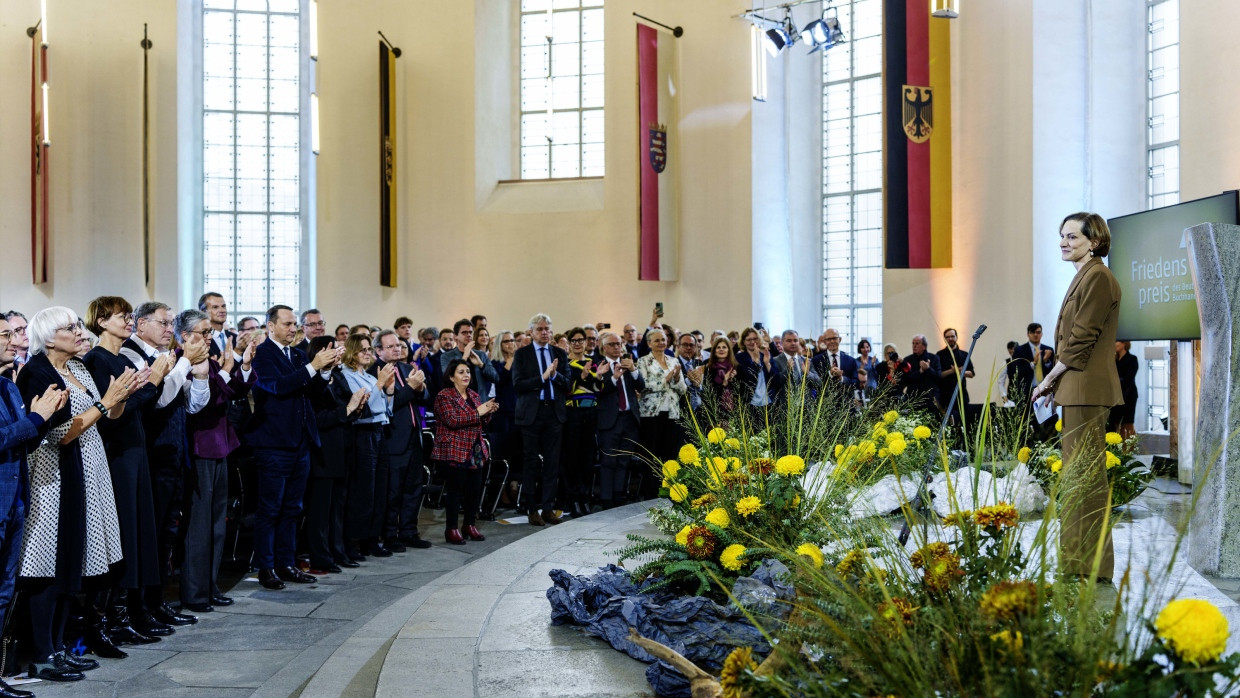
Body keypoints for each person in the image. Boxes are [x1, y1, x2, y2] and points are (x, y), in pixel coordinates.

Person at [16, 307, 137, 681]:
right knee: (48, 565)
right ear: (50, 337)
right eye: (70, 327)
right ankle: (41, 653)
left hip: (89, 469)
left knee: (74, 562)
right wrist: (105, 402)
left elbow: (109, 416)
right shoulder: (37, 371)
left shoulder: (79, 368)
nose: (79, 331)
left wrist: (120, 396)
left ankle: (61, 646)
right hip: (54, 475)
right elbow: (58, 433)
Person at [82, 297, 178, 654]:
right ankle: (107, 623)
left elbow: (133, 407)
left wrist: (152, 384)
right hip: (116, 454)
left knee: (136, 535)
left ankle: (126, 616)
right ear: (103, 321)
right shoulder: (96, 359)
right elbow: (111, 414)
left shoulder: (121, 359)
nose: (129, 321)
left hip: (135, 451)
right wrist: (152, 381)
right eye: (123, 317)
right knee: (119, 537)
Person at [1031, 212, 1123, 584]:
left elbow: (1081, 338)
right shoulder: (1086, 276)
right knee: (1078, 478)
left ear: (1094, 241)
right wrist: (1056, 384)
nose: (1063, 242)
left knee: (1085, 479)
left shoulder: (1098, 276)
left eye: (1071, 237)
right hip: (1077, 387)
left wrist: (1048, 379)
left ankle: (1091, 565)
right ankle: (1077, 562)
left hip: (1086, 388)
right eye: (1062, 236)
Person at [121, 302, 207, 630]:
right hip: (150, 457)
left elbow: (194, 404)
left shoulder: (167, 355)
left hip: (174, 454)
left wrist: (198, 374)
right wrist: (184, 363)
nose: (170, 329)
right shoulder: (131, 354)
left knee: (166, 535)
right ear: (140, 325)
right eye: (163, 322)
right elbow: (157, 399)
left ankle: (157, 602)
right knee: (150, 536)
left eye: (172, 323)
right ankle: (138, 608)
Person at [245, 305, 341, 590]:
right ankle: (266, 567)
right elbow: (277, 386)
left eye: (294, 324)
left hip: (300, 442)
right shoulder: (262, 355)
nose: (293, 328)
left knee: (293, 508)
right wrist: (314, 367)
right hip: (273, 442)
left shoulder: (298, 354)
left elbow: (311, 394)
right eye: (287, 324)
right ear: (270, 327)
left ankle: (287, 563)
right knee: (270, 509)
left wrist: (323, 373)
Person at [0, 316, 66, 694]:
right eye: (6, 334)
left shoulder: (8, 387)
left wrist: (46, 417)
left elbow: (24, 438)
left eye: (15, 333)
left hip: (14, 503)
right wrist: (37, 418)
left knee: (4, 594)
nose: (16, 340)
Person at [174, 309, 254, 614]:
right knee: (199, 526)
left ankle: (210, 585)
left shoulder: (209, 357)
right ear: (186, 336)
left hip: (220, 445)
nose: (211, 337)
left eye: (210, 332)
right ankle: (194, 592)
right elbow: (202, 404)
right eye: (204, 332)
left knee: (217, 525)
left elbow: (233, 391)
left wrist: (242, 367)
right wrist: (223, 373)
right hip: (199, 446)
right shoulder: (183, 359)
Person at [304, 335, 367, 572]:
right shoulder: (310, 381)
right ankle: (321, 557)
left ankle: (339, 551)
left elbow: (347, 407)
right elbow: (317, 418)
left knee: (339, 506)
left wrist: (357, 407)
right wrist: (347, 409)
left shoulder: (337, 376)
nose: (338, 355)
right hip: (323, 450)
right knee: (321, 510)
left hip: (343, 447)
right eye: (333, 351)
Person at [373, 330, 433, 550]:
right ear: (378, 350)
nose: (397, 349)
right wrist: (411, 387)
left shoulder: (408, 368)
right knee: (393, 490)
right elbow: (392, 404)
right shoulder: (375, 371)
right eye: (390, 346)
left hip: (414, 436)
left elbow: (425, 398)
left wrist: (422, 387)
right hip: (393, 438)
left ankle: (409, 531)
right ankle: (389, 534)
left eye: (398, 345)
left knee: (413, 487)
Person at [341, 334, 397, 559]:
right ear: (351, 352)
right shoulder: (347, 375)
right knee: (364, 489)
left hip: (378, 431)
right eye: (362, 349)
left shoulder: (368, 375)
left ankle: (373, 538)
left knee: (379, 488)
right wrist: (381, 384)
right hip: (362, 433)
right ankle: (357, 540)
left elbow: (385, 407)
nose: (367, 352)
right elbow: (365, 406)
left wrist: (388, 390)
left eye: (368, 349)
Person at [512, 314, 569, 526]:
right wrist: (542, 378)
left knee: (552, 463)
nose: (544, 332)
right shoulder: (522, 354)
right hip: (531, 415)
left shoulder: (559, 354)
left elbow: (568, 384)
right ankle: (531, 508)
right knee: (531, 463)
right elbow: (518, 384)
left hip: (554, 413)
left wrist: (554, 376)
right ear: (531, 332)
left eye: (547, 328)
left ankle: (547, 507)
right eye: (540, 329)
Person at [432, 359, 498, 544]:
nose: (466, 375)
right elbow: (453, 420)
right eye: (461, 372)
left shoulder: (474, 395)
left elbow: (481, 422)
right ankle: (451, 529)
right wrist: (479, 412)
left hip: (475, 449)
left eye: (468, 371)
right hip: (455, 448)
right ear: (452, 377)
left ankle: (469, 524)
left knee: (474, 491)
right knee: (455, 491)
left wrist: (489, 411)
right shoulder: (444, 396)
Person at [595, 332, 643, 508]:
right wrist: (613, 378)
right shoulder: (599, 365)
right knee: (609, 460)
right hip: (609, 420)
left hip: (628, 419)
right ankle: (606, 498)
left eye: (619, 344)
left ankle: (618, 495)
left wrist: (634, 370)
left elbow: (641, 386)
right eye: (613, 344)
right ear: (604, 347)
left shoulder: (627, 363)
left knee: (624, 460)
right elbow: (598, 391)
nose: (617, 347)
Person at [636, 329, 687, 490]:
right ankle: (650, 490)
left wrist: (677, 378)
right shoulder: (643, 361)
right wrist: (666, 379)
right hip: (651, 414)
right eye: (657, 340)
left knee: (669, 453)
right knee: (651, 453)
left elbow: (683, 389)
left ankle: (669, 489)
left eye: (663, 339)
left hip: (672, 412)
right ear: (649, 343)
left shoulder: (674, 361)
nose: (661, 343)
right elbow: (642, 386)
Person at [561, 327, 603, 517]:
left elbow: (597, 389)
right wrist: (583, 377)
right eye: (574, 340)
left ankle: (586, 498)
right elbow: (566, 389)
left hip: (591, 412)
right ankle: (573, 499)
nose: (578, 343)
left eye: (581, 340)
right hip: (573, 413)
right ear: (569, 343)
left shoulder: (592, 362)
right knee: (573, 458)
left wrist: (599, 377)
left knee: (587, 458)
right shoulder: (565, 363)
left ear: (586, 342)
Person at [487, 331, 520, 507]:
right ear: (500, 344)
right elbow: (500, 382)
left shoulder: (519, 363)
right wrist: (509, 362)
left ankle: (514, 487)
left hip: (517, 411)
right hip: (502, 413)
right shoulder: (496, 363)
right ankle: (503, 491)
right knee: (503, 451)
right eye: (506, 341)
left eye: (512, 340)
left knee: (516, 451)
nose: (510, 344)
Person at [735, 327, 778, 410]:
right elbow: (747, 378)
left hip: (768, 401)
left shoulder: (765, 355)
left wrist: (767, 363)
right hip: (749, 402)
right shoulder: (739, 358)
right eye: (749, 340)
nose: (752, 342)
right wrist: (756, 362)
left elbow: (776, 380)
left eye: (755, 338)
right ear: (744, 342)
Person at [936, 328, 975, 412]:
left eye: (952, 336)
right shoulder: (939, 355)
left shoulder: (964, 354)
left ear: (956, 337)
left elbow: (971, 373)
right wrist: (952, 371)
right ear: (945, 339)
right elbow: (938, 374)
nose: (950, 339)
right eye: (947, 337)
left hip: (961, 395)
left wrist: (961, 371)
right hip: (945, 396)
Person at [901, 335, 941, 412]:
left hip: (930, 398)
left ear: (924, 346)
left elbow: (938, 377)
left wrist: (928, 369)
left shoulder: (934, 358)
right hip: (913, 398)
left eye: (917, 343)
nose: (914, 346)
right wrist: (919, 372)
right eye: (913, 343)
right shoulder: (907, 360)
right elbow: (905, 379)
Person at [812, 328, 858, 393]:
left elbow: (856, 383)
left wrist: (841, 378)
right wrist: (829, 374)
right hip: (825, 401)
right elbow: (815, 384)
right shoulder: (816, 361)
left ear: (840, 339)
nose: (832, 341)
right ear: (824, 342)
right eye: (829, 339)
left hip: (846, 400)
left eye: (834, 338)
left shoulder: (851, 361)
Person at [1109, 341, 1139, 439]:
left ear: (1124, 344)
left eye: (1117, 342)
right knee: (1116, 423)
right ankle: (1118, 448)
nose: (1114, 344)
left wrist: (1115, 380)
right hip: (1115, 396)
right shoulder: (1113, 360)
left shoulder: (1132, 359)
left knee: (1127, 423)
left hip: (1128, 396)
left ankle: (1129, 449)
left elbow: (1129, 378)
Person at [704, 337, 739, 415]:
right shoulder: (708, 366)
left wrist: (733, 380)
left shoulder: (736, 366)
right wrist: (724, 383)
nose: (721, 349)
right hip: (715, 409)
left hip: (734, 410)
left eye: (724, 347)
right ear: (714, 351)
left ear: (729, 350)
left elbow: (741, 390)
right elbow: (707, 390)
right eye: (718, 347)